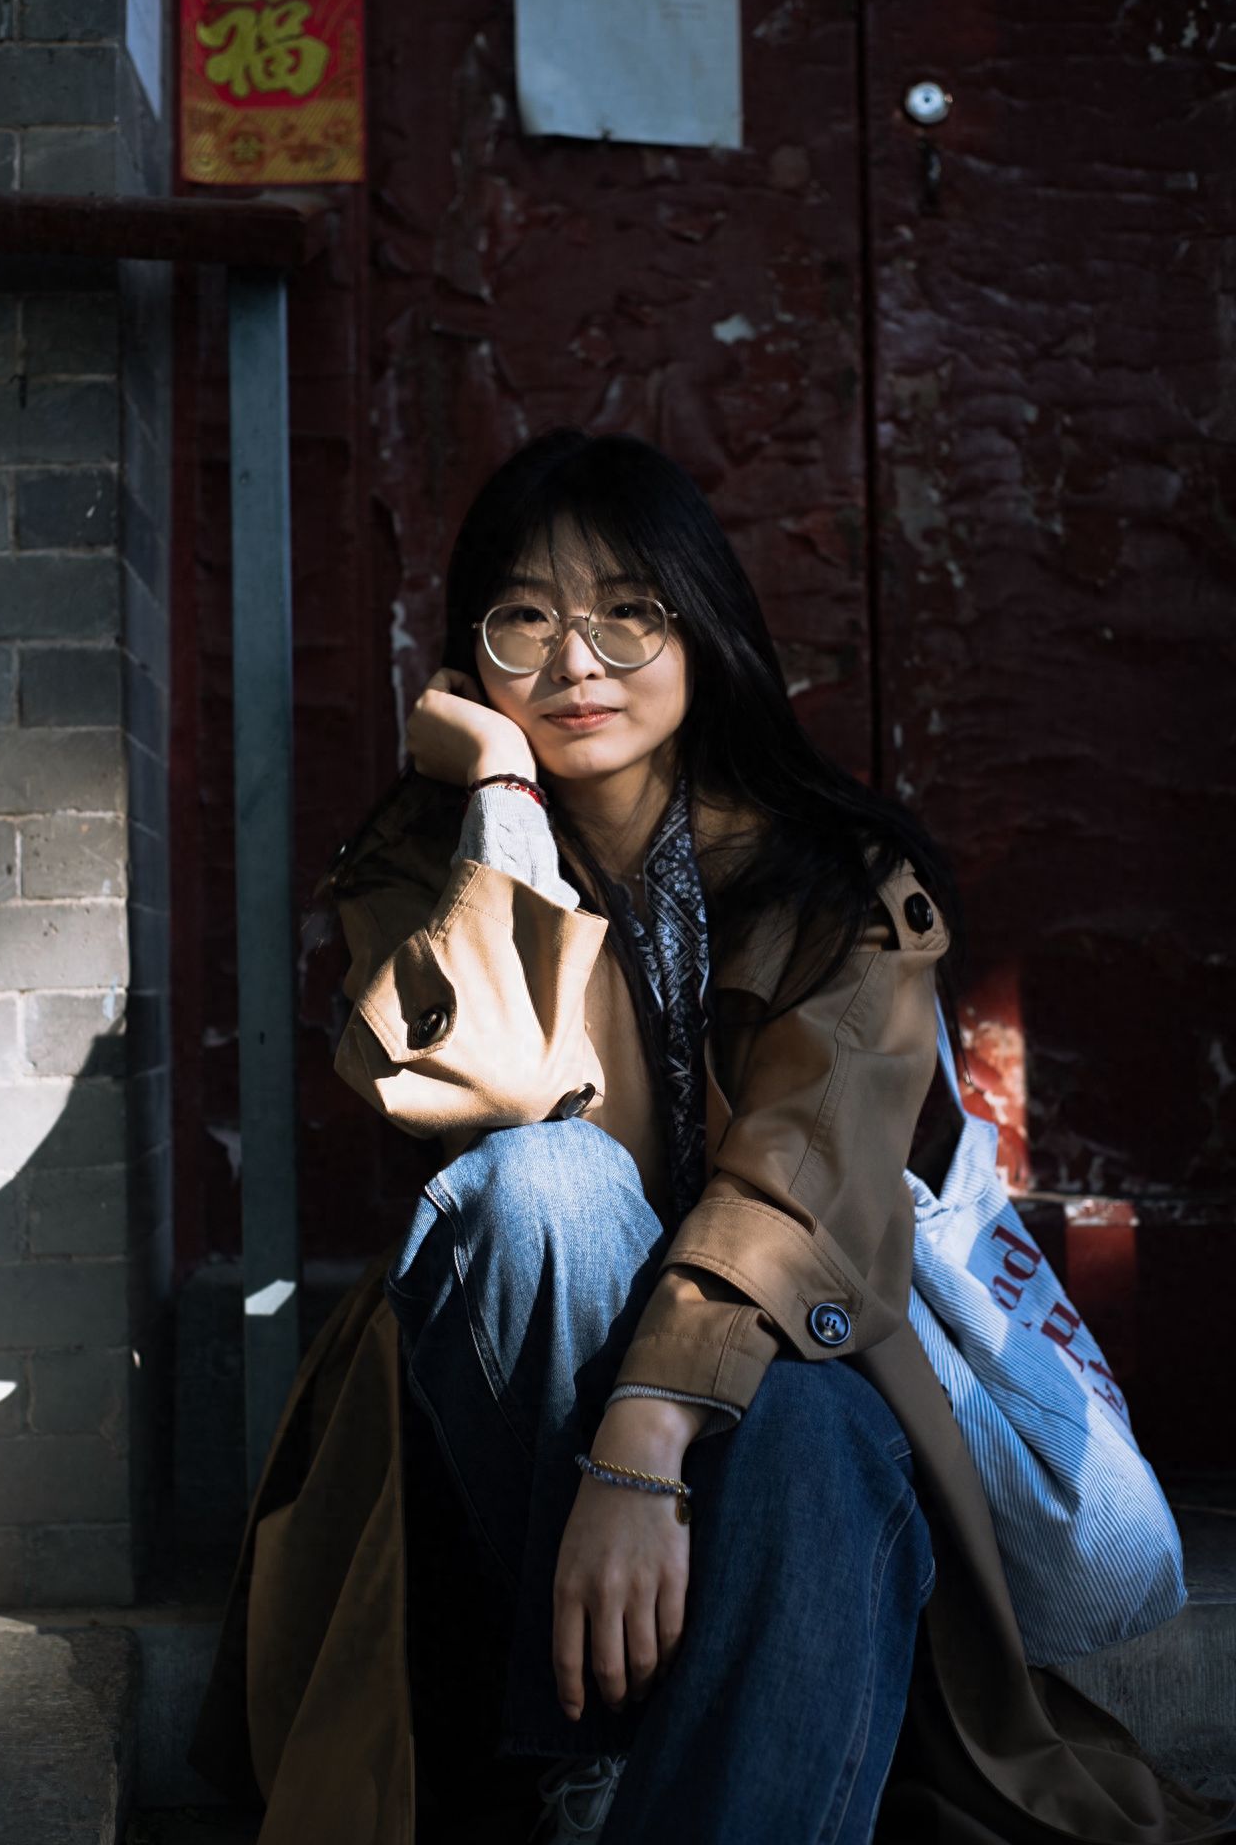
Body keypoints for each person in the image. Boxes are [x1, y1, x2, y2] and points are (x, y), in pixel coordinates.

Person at [189, 430, 1234, 1845]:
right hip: (507, 1444)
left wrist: (645, 1436)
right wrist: (501, 803)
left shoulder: (838, 879)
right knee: (543, 1183)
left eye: (628, 611)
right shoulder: (422, 872)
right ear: (470, 657)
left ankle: (626, 1778)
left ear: (702, 630)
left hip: (776, 1376)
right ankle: (606, 1756)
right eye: (524, 619)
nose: (577, 662)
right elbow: (496, 1087)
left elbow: (803, 1190)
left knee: (810, 1423)